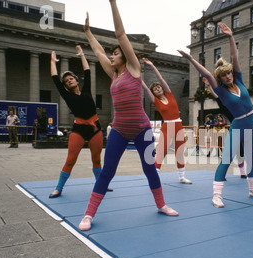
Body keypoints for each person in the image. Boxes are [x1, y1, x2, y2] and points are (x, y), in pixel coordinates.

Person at [79, 3, 177, 231]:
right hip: (120, 130)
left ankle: (161, 205)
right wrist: (88, 33)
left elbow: (120, 34)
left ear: (125, 56)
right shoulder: (113, 74)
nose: (111, 57)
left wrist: (113, 3)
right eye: (111, 54)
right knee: (107, 171)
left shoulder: (134, 69)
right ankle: (89, 214)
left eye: (115, 54)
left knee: (149, 169)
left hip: (142, 129)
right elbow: (98, 52)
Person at [179, 22, 253, 208]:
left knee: (251, 160)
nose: (228, 76)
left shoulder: (239, 79)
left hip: (252, 123)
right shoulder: (219, 90)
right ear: (219, 78)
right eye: (224, 75)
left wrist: (230, 36)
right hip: (238, 125)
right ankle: (216, 195)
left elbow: (235, 56)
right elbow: (205, 73)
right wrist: (191, 59)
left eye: (229, 73)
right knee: (226, 160)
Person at [50, 46, 108, 198]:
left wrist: (82, 54)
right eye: (66, 81)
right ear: (66, 86)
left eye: (71, 79)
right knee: (70, 160)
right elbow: (55, 79)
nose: (69, 81)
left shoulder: (87, 90)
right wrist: (52, 62)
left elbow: (88, 71)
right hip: (79, 129)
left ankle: (100, 185)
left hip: (95, 127)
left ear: (76, 80)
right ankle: (58, 188)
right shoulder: (67, 95)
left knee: (96, 159)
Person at [142, 57, 192, 183]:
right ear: (154, 92)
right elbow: (146, 90)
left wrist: (152, 65)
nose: (157, 89)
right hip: (167, 127)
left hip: (178, 125)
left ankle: (181, 177)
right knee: (161, 151)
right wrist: (138, 78)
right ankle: (154, 176)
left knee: (179, 152)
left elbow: (161, 79)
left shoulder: (169, 93)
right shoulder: (155, 101)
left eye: (159, 87)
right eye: (155, 89)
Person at [203, 77, 247, 178]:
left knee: (241, 152)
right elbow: (217, 97)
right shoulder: (225, 107)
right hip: (235, 130)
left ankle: (242, 172)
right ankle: (222, 173)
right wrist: (209, 86)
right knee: (229, 153)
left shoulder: (238, 101)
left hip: (244, 128)